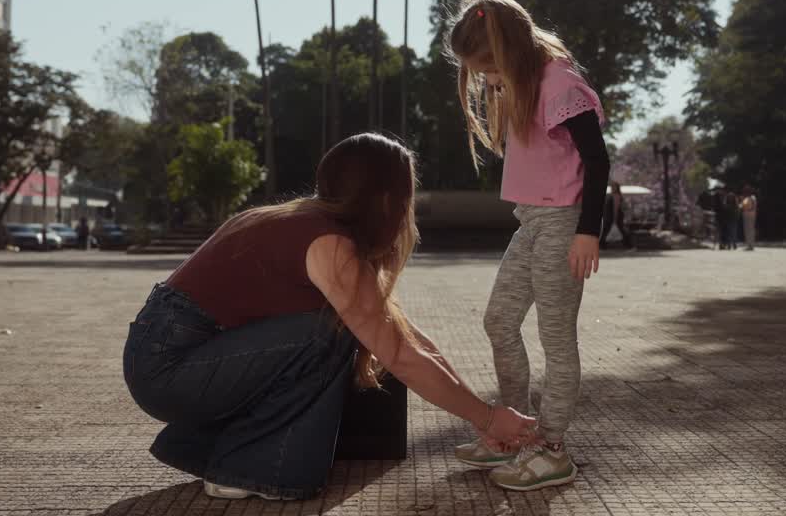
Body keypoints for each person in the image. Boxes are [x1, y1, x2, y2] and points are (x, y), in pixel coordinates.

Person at [122, 134, 536, 501]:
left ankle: (224, 453)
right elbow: (398, 355)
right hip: (171, 366)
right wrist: (486, 416)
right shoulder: (326, 242)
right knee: (327, 334)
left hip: (167, 356)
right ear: (388, 198)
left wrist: (483, 416)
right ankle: (245, 470)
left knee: (335, 331)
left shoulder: (300, 220)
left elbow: (404, 337)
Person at [444, 0, 610, 491]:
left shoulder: (559, 83)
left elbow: (598, 161)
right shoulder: (523, 84)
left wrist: (588, 232)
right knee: (500, 319)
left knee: (556, 340)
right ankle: (512, 432)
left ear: (512, 50)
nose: (487, 80)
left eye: (490, 67)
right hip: (532, 221)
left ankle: (552, 448)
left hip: (564, 223)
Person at [600, 181, 633, 249]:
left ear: (617, 188)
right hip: (610, 217)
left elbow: (616, 208)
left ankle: (629, 245)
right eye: (612, 187)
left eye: (613, 187)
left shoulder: (616, 196)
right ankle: (602, 245)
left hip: (613, 217)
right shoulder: (611, 195)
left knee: (618, 231)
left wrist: (615, 219)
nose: (612, 188)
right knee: (606, 231)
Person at [741, 185, 758, 251]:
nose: (745, 192)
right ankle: (748, 245)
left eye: (747, 190)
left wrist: (749, 210)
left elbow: (753, 206)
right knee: (746, 230)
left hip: (750, 215)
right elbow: (742, 206)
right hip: (746, 215)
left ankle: (751, 245)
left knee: (750, 230)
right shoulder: (746, 198)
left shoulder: (753, 197)